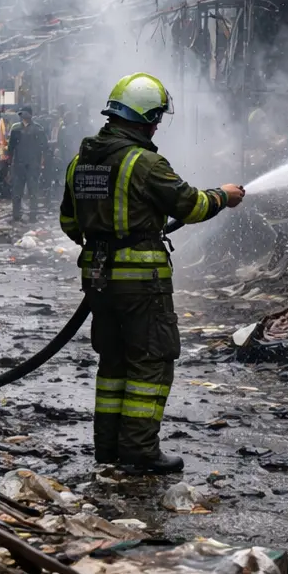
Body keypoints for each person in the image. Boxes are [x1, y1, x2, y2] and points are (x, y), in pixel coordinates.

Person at [59, 73, 245, 473]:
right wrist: (223, 196)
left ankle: (107, 448)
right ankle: (140, 452)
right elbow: (191, 206)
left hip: (97, 280)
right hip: (142, 285)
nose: (158, 125)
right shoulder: (144, 162)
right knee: (151, 362)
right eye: (156, 117)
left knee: (113, 363)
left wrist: (103, 241)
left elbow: (69, 223)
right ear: (143, 117)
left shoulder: (81, 161)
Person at [7, 106, 46, 221]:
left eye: (23, 113)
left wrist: (42, 163)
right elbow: (11, 147)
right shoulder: (15, 129)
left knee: (33, 190)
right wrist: (10, 162)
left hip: (33, 165)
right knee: (17, 191)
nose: (21, 116)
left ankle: (33, 215)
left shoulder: (38, 129)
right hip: (19, 164)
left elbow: (44, 147)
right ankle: (16, 215)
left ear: (29, 114)